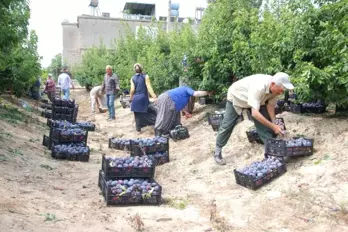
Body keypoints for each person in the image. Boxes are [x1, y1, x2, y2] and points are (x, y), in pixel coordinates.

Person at [213, 72, 294, 165]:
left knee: (265, 126)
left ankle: (273, 151)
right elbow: (255, 113)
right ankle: (217, 150)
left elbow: (270, 106)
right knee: (227, 125)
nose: (281, 93)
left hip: (258, 100)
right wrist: (274, 127)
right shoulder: (259, 87)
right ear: (272, 84)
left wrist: (274, 122)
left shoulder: (276, 89)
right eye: (280, 90)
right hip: (238, 97)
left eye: (283, 90)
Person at [129, 63, 157, 132]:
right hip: (143, 98)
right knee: (147, 112)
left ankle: (138, 129)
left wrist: (131, 98)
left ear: (134, 70)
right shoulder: (145, 76)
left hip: (135, 99)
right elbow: (149, 87)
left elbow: (132, 90)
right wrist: (154, 97)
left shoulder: (132, 78)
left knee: (137, 114)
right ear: (141, 69)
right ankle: (156, 123)